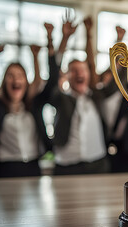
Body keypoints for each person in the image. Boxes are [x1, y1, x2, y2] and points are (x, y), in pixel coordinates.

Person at [0, 35, 57, 178]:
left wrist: (49, 44)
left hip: (33, 168)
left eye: (20, 75)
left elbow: (52, 81)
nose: (16, 79)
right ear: (4, 82)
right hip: (5, 169)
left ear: (26, 82)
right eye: (10, 75)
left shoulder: (34, 105)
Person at [47, 17, 116, 175]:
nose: (79, 73)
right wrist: (64, 38)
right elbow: (53, 74)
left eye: (83, 70)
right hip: (66, 165)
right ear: (67, 75)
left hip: (98, 164)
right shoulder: (61, 97)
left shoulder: (96, 96)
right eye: (74, 70)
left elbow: (115, 79)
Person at [100, 26, 128, 173]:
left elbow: (123, 69)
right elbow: (117, 70)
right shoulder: (103, 93)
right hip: (108, 142)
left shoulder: (126, 92)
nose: (111, 79)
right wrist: (120, 41)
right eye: (108, 77)